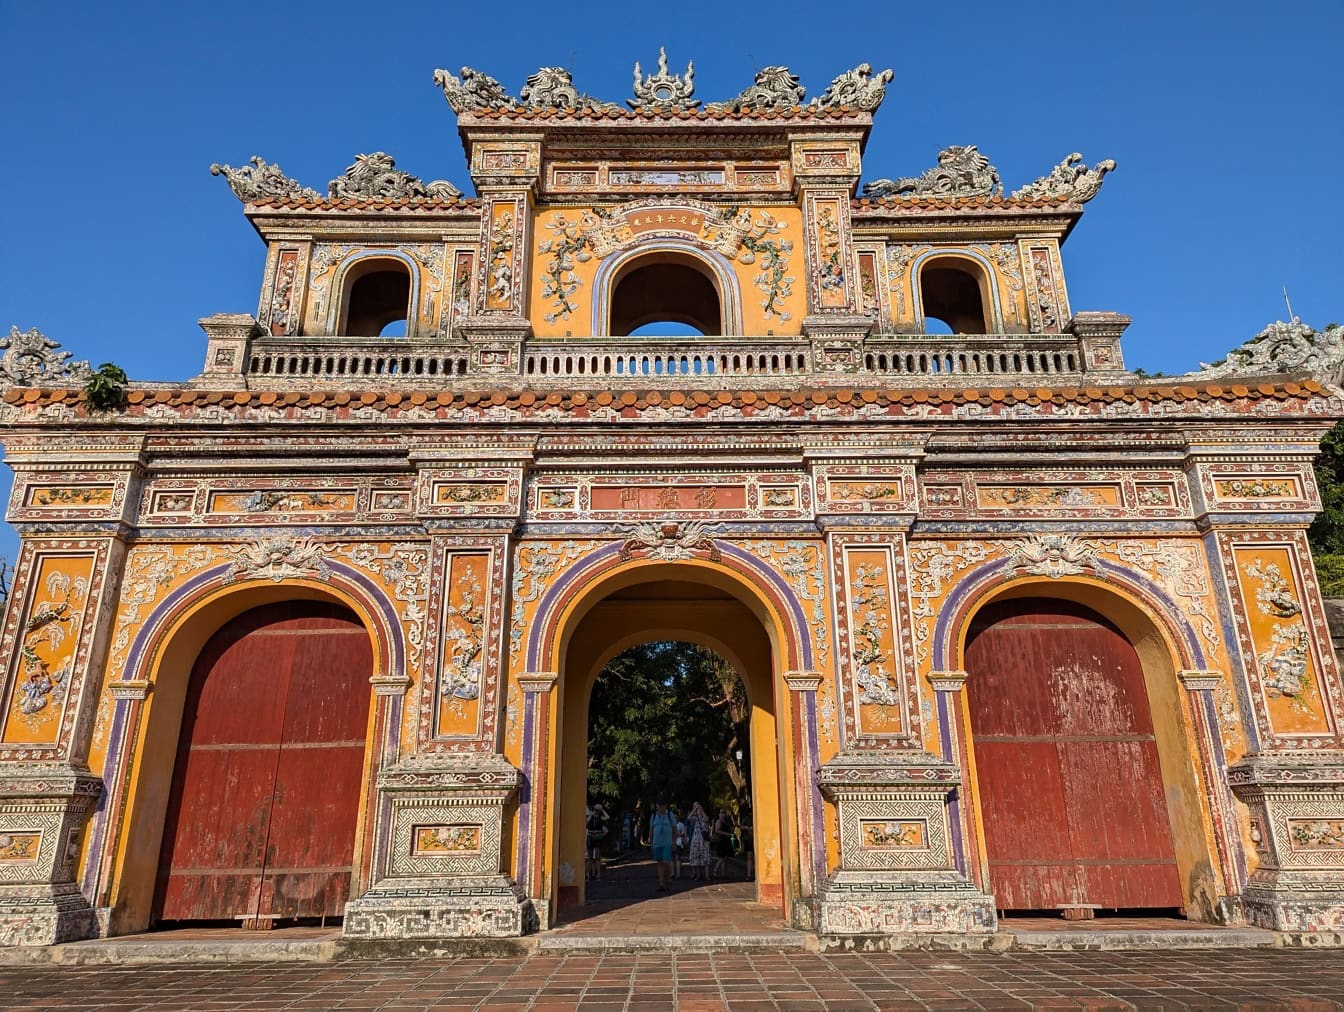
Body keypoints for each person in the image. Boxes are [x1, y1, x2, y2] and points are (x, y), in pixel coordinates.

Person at [649, 799, 676, 892]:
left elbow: (674, 829)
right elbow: (651, 830)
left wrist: (674, 842)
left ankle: (668, 876)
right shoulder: (653, 815)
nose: (661, 808)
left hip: (667, 842)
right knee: (659, 862)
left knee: (666, 861)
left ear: (665, 805)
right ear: (657, 806)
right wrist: (651, 843)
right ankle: (661, 883)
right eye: (660, 806)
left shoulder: (670, 815)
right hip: (657, 843)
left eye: (663, 805)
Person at [686, 801, 711, 880]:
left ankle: (707, 876)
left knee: (705, 857)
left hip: (704, 839)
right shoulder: (694, 818)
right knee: (696, 857)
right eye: (695, 806)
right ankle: (698, 875)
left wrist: (701, 810)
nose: (697, 808)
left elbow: (707, 819)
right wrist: (694, 810)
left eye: (698, 806)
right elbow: (688, 818)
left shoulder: (704, 815)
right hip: (696, 839)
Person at [585, 803, 609, 881]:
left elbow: (607, 817)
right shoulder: (590, 817)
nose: (596, 811)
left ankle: (598, 874)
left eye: (597, 810)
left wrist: (602, 810)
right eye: (595, 809)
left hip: (598, 837)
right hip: (590, 836)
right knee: (590, 857)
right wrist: (591, 814)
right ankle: (589, 875)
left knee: (597, 858)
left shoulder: (600, 818)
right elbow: (587, 822)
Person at [710, 808, 735, 880]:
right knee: (722, 857)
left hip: (726, 840)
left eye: (724, 812)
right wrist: (726, 834)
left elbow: (731, 828)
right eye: (721, 812)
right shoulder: (718, 821)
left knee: (725, 857)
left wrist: (732, 818)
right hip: (722, 840)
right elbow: (717, 830)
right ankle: (715, 871)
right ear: (719, 814)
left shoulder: (726, 821)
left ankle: (723, 873)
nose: (723, 814)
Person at [673, 809, 687, 880]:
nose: (675, 818)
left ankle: (678, 874)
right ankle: (672, 873)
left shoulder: (681, 824)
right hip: (672, 843)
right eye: (673, 817)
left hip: (678, 843)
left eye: (676, 817)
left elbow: (683, 834)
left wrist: (679, 834)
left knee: (678, 858)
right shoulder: (670, 825)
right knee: (672, 859)